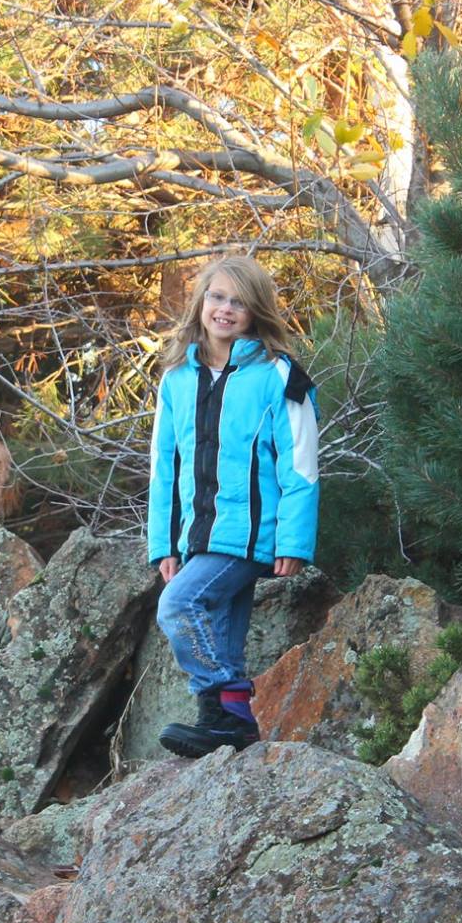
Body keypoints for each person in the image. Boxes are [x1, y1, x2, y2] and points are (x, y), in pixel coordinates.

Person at [148, 255, 320, 758]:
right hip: (197, 536)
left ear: (255, 312)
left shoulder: (278, 376)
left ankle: (224, 701)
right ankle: (229, 726)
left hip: (249, 535)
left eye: (239, 301)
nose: (225, 309)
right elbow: (163, 466)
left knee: (179, 605)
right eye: (217, 297)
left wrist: (292, 541)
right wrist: (164, 543)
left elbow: (302, 463)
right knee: (221, 634)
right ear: (201, 302)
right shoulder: (177, 379)